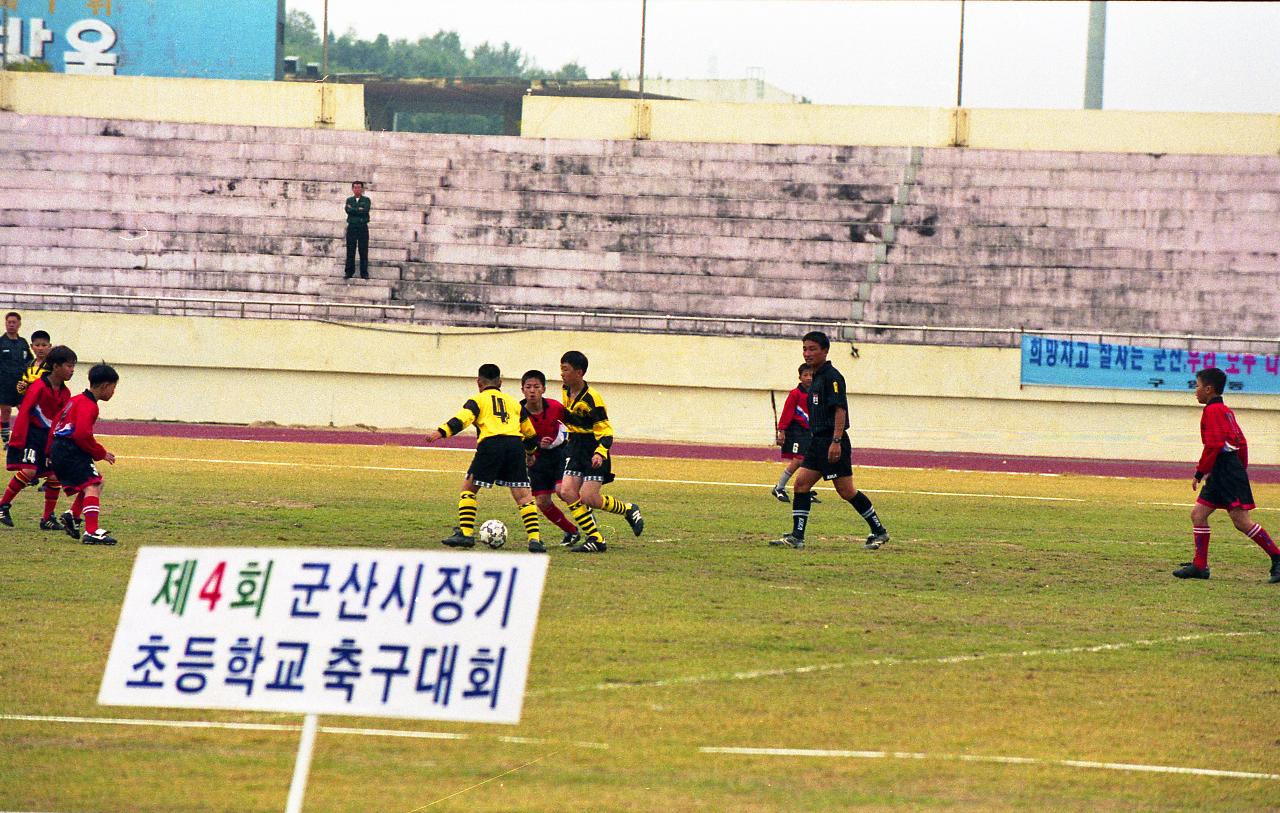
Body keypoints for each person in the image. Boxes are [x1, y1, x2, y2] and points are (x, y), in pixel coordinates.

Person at [772, 331, 888, 550]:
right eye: (805, 349)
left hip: (832, 442)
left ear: (825, 350)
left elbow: (840, 409)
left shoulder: (832, 377)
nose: (807, 353)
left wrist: (836, 441)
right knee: (801, 484)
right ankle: (797, 537)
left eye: (812, 349)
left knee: (846, 491)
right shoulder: (814, 378)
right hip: (818, 442)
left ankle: (879, 531)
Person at [425, 363, 546, 553]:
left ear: (479, 382)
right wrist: (530, 453)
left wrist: (441, 432)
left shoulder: (478, 400)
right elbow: (529, 433)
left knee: (469, 488)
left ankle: (465, 534)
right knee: (523, 495)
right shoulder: (514, 403)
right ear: (500, 382)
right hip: (515, 446)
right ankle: (535, 540)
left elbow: (462, 419)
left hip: (491, 445)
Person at [1175, 367, 1280, 582]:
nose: (1195, 391)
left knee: (1241, 521)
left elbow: (1213, 445)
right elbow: (1242, 442)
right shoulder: (1226, 411)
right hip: (1227, 469)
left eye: (1197, 386)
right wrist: (1240, 468)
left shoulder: (1212, 412)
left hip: (1225, 470)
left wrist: (1200, 472)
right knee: (1198, 515)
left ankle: (1278, 558)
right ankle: (1200, 566)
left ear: (1209, 389)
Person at [556, 350, 644, 553]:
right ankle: (596, 539)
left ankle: (629, 509)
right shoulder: (565, 389)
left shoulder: (593, 399)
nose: (562, 374)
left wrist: (600, 453)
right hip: (575, 447)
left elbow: (606, 432)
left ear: (579, 372)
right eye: (561, 369)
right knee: (566, 492)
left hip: (593, 449)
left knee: (589, 498)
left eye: (566, 370)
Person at [0, 345, 76, 531]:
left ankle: (47, 518)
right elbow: (25, 412)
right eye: (68, 366)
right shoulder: (38, 387)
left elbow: (62, 419)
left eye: (74, 366)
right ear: (56, 366)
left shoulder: (65, 393)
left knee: (54, 475)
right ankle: (3, 505)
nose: (72, 370)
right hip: (32, 436)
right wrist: (17, 440)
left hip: (50, 439)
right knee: (29, 472)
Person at [49, 362, 118, 545]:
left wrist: (50, 451)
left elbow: (56, 422)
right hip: (70, 449)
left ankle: (72, 515)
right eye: (113, 387)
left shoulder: (75, 400)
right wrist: (100, 452)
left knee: (95, 482)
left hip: (60, 447)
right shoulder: (89, 406)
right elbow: (81, 434)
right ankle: (92, 531)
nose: (113, 392)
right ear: (105, 386)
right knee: (93, 486)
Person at [520, 369, 581, 547]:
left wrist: (560, 440)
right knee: (542, 501)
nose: (532, 390)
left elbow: (572, 426)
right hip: (535, 460)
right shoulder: (517, 413)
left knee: (563, 490)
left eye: (536, 386)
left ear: (543, 389)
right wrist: (536, 445)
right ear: (522, 390)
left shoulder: (555, 407)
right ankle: (572, 531)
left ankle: (587, 518)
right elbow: (517, 438)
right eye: (528, 387)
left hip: (559, 456)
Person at [772, 363, 820, 505]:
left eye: (811, 375)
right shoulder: (795, 393)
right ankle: (779, 487)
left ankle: (805, 489)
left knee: (809, 461)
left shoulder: (815, 393)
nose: (809, 378)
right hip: (796, 431)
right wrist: (782, 431)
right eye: (805, 375)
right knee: (799, 460)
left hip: (810, 432)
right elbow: (787, 412)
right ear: (800, 377)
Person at [0, 312, 33, 446]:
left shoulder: (23, 343)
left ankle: (25, 438)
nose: (11, 325)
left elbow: (30, 361)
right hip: (4, 383)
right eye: (9, 322)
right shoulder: (1, 342)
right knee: (5, 411)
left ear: (19, 324)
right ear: (5, 323)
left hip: (21, 383)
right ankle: (6, 441)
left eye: (14, 322)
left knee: (24, 410)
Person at [343, 181, 371, 279]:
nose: (357, 189)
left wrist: (354, 209)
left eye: (359, 187)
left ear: (362, 189)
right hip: (352, 226)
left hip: (362, 226)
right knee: (350, 250)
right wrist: (358, 209)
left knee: (363, 250)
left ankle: (364, 272)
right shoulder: (349, 200)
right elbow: (347, 210)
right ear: (352, 189)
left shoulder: (366, 200)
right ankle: (349, 272)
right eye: (355, 187)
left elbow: (365, 210)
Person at [15, 330, 51, 399]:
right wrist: (22, 387)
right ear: (31, 346)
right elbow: (25, 386)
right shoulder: (29, 365)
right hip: (31, 402)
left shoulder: (52, 365)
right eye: (37, 345)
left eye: (44, 345)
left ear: (49, 346)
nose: (40, 348)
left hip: (46, 402)